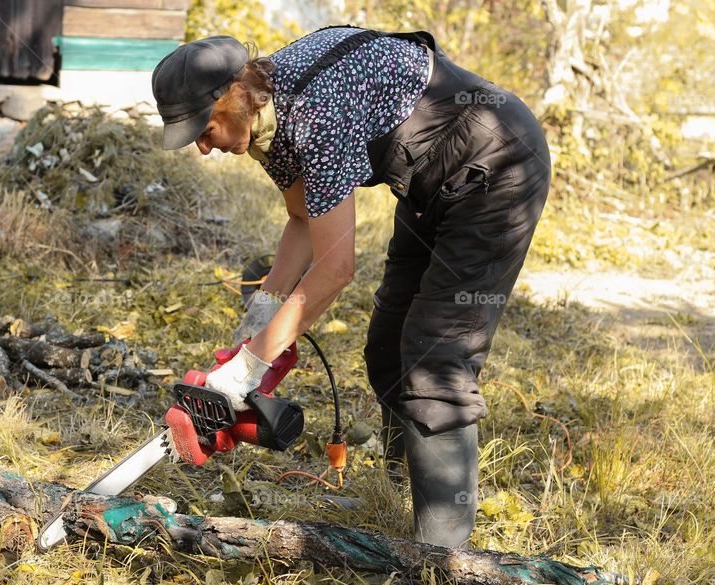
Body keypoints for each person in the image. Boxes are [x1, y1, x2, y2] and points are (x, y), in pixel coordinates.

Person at [150, 25, 551, 548]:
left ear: (230, 99)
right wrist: (257, 326)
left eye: (204, 131)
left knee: (434, 356)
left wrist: (253, 367)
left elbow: (336, 268)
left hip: (499, 170)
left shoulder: (315, 111)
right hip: (431, 188)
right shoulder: (264, 116)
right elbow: (301, 221)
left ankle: (442, 555)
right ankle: (401, 495)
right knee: (388, 346)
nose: (203, 149)